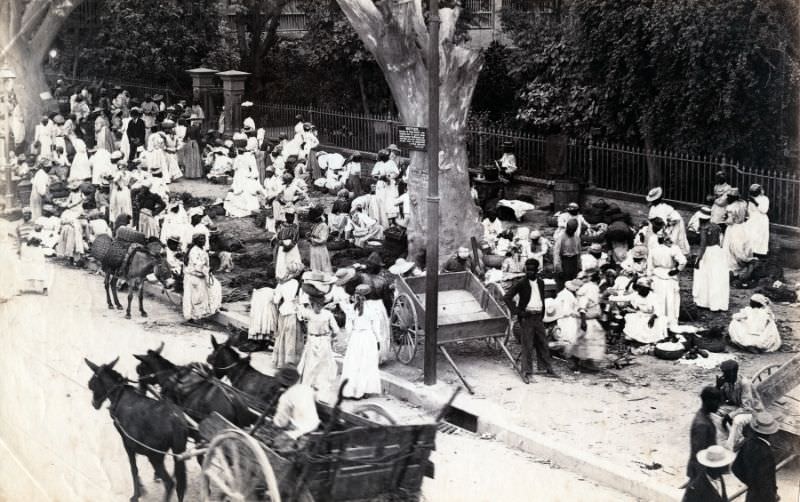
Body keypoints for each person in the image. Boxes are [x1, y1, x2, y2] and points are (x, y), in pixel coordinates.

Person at [503, 259, 556, 381]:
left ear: (537, 270)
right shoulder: (521, 283)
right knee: (527, 345)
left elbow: (541, 298)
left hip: (538, 317)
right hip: (527, 317)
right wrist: (518, 312)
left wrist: (542, 314)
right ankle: (526, 372)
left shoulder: (541, 283)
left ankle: (547, 368)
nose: (530, 272)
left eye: (532, 270)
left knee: (542, 343)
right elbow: (507, 297)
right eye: (528, 270)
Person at [341, 284, 383, 399]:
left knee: (354, 364)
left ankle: (351, 390)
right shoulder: (373, 309)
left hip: (356, 337)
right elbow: (376, 328)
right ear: (370, 296)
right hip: (368, 338)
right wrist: (379, 340)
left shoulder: (351, 309)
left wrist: (347, 340)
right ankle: (363, 390)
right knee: (366, 364)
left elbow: (348, 328)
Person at [298, 296, 341, 403]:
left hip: (319, 340)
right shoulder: (324, 314)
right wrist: (332, 336)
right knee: (317, 365)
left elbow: (299, 314)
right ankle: (315, 388)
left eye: (318, 305)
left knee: (316, 365)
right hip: (317, 340)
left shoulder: (310, 313)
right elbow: (336, 330)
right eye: (315, 305)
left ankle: (311, 388)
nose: (317, 307)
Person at [715, 359, 764, 451]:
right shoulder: (727, 381)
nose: (723, 375)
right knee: (714, 412)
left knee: (737, 420)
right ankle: (731, 436)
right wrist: (718, 387)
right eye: (723, 373)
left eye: (726, 373)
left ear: (733, 373)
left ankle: (732, 446)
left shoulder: (744, 383)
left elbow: (747, 408)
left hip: (753, 411)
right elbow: (720, 401)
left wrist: (730, 415)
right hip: (739, 407)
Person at [731, 412, 778, 502]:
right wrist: (773, 494)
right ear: (770, 433)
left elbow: (735, 468)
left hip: (751, 495)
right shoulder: (767, 453)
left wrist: (750, 483)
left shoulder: (747, 444)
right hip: (765, 497)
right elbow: (767, 480)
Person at [693, 209, 728, 312]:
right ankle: (717, 302)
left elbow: (703, 246)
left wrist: (698, 259)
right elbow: (720, 241)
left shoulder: (704, 229)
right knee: (716, 277)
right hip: (717, 252)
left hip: (708, 253)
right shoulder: (716, 226)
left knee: (705, 276)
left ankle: (704, 301)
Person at [272, 365, 321, 440]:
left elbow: (281, 422)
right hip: (314, 423)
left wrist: (275, 422)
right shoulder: (307, 388)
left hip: (299, 429)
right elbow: (314, 398)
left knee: (273, 435)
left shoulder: (285, 397)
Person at [571, 269, 606, 372]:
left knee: (589, 341)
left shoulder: (591, 287)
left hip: (590, 318)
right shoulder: (590, 289)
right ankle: (579, 364)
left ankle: (586, 363)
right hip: (586, 319)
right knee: (586, 341)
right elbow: (582, 306)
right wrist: (583, 322)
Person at [615, 277, 667, 344]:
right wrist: (610, 297)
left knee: (660, 321)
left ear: (647, 289)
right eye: (638, 288)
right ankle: (635, 338)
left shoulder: (654, 296)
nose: (638, 290)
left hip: (653, 316)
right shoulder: (636, 295)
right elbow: (624, 298)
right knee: (630, 318)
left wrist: (653, 317)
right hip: (641, 315)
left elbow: (659, 309)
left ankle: (650, 339)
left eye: (641, 288)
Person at [182, 233, 222, 321]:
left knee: (214, 288)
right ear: (196, 241)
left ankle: (211, 309)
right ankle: (191, 317)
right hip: (193, 276)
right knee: (194, 298)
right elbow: (197, 265)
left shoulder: (202, 250)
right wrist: (207, 269)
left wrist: (208, 268)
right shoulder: (194, 251)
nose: (203, 241)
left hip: (201, 275)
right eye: (201, 239)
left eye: (204, 239)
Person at [648, 235, 686, 326]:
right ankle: (670, 322)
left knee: (659, 300)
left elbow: (650, 266)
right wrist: (677, 270)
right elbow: (683, 261)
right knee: (671, 300)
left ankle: (659, 321)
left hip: (657, 276)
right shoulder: (673, 249)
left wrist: (650, 277)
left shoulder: (653, 250)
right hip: (669, 275)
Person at [686, 386, 722, 481]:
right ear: (708, 401)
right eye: (717, 402)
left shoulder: (705, 416)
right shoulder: (701, 424)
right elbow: (698, 453)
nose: (719, 406)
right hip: (702, 472)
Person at [273, 262, 304, 368]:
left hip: (283, 310)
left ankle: (280, 361)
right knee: (292, 337)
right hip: (293, 310)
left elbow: (276, 300)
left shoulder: (281, 284)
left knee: (282, 335)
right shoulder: (297, 283)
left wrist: (276, 296)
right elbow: (300, 298)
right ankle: (290, 361)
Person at [722, 188, 755, 278]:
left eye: (729, 196)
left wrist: (725, 219)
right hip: (743, 227)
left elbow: (729, 221)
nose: (727, 198)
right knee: (742, 245)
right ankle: (744, 264)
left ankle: (734, 268)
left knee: (730, 247)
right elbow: (747, 216)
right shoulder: (743, 203)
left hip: (733, 228)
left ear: (733, 197)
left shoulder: (730, 207)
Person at [275, 210, 302, 281]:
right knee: (283, 260)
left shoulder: (295, 226)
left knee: (292, 259)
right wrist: (282, 244)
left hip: (292, 246)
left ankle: (294, 273)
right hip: (283, 245)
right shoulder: (281, 226)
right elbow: (278, 236)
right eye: (289, 216)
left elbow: (296, 238)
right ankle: (283, 274)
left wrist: (290, 246)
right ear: (286, 217)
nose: (291, 218)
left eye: (293, 216)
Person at [553, 219, 581, 285]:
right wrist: (559, 269)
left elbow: (579, 253)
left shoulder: (577, 238)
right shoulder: (561, 238)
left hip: (574, 262)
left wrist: (579, 266)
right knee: (564, 282)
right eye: (570, 229)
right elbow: (556, 254)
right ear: (567, 227)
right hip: (565, 262)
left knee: (573, 283)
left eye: (573, 230)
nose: (571, 231)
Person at [745, 184, 769, 257]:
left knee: (760, 237)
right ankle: (752, 251)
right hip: (753, 219)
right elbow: (749, 210)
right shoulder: (751, 199)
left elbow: (764, 210)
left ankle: (760, 252)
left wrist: (755, 203)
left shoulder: (765, 199)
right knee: (751, 236)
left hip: (761, 220)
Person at [307, 206, 332, 273]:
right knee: (315, 265)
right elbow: (315, 234)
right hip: (314, 249)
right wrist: (310, 234)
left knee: (322, 265)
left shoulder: (324, 226)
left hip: (320, 249)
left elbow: (323, 239)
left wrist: (311, 239)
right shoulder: (316, 225)